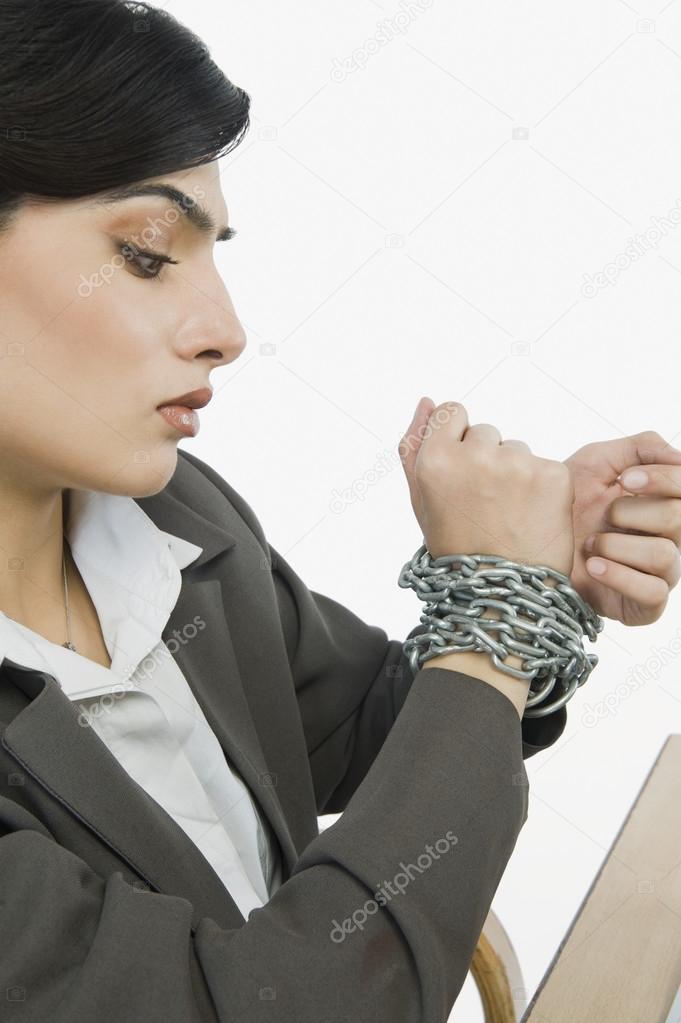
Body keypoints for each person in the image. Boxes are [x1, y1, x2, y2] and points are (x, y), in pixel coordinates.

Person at [2, 3, 680, 1022]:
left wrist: (539, 572)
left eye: (214, 251)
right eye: (146, 252)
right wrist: (496, 615)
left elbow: (371, 729)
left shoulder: (169, 516)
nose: (227, 331)